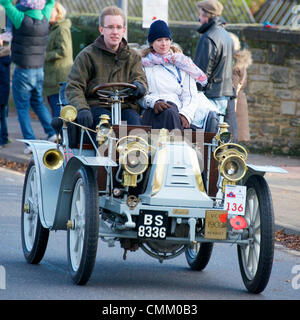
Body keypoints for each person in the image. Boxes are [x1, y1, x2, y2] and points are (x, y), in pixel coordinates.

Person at [65, 5, 148, 133]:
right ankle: (104, 152)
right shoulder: (87, 55)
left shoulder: (133, 57)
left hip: (125, 107)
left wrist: (140, 86)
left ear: (124, 30)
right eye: (110, 27)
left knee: (135, 126)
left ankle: (134, 152)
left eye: (118, 27)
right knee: (104, 126)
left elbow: (140, 78)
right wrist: (82, 108)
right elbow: (74, 86)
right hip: (96, 106)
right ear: (101, 29)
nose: (115, 32)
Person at [0, 0, 57, 154]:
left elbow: (5, 3)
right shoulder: (45, 16)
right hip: (39, 70)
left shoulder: (19, 18)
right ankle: (52, 133)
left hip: (22, 70)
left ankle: (30, 142)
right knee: (38, 102)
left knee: (22, 108)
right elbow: (51, 1)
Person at [138, 19, 208, 130]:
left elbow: (190, 95)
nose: (164, 44)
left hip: (177, 111)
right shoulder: (143, 65)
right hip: (152, 109)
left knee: (171, 114)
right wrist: (154, 102)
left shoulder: (183, 63)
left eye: (167, 39)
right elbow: (141, 94)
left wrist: (185, 114)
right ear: (151, 43)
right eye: (159, 40)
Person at [194, 0, 234, 117]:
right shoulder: (226, 35)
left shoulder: (208, 37)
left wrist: (195, 92)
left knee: (207, 133)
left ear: (207, 16)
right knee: (218, 131)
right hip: (224, 93)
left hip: (211, 95)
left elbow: (201, 73)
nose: (199, 19)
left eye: (200, 15)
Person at [44, 2, 73, 118]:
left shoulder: (62, 29)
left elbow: (64, 50)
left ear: (58, 12)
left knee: (59, 110)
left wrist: (45, 55)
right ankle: (57, 135)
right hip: (51, 78)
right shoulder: (52, 29)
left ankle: (60, 135)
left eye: (51, 10)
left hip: (59, 78)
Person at [230, 32, 252, 142]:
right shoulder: (237, 61)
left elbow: (236, 84)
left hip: (236, 100)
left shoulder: (236, 62)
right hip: (238, 98)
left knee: (235, 135)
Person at [0, 37, 11, 149]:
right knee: (2, 116)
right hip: (4, 91)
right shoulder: (7, 58)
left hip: (1, 91)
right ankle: (4, 138)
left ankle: (2, 139)